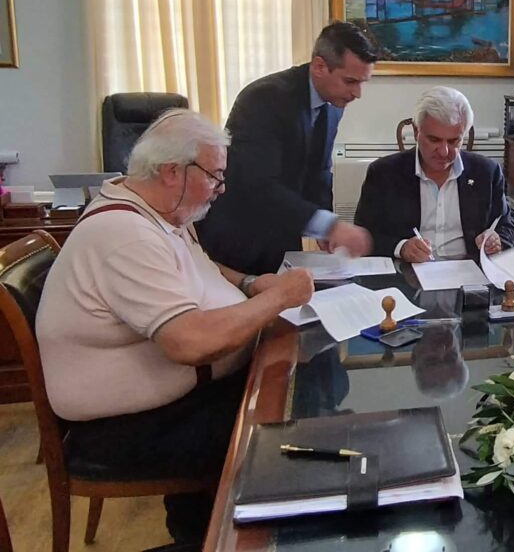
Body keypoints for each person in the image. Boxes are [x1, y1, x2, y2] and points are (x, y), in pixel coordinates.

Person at [36, 109, 314, 544]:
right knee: (280, 437)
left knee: (286, 403)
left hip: (175, 403)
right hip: (127, 429)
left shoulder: (157, 212)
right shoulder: (125, 235)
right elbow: (190, 343)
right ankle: (214, 540)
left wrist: (249, 283)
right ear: (172, 172)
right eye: (216, 176)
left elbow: (199, 269)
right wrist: (279, 298)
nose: (222, 189)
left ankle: (197, 529)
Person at [198, 21, 376, 274]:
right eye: (350, 81)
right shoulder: (264, 98)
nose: (357, 93)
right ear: (319, 66)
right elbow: (257, 184)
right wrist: (329, 225)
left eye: (362, 83)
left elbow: (319, 172)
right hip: (239, 239)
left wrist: (325, 225)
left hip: (281, 238)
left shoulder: (333, 104)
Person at [354, 86, 514, 261]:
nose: (444, 152)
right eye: (434, 140)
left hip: (469, 270)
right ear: (416, 132)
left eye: (453, 141)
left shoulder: (486, 172)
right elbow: (363, 235)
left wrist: (497, 241)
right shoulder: (384, 173)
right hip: (408, 271)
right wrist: (401, 247)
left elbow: (507, 226)